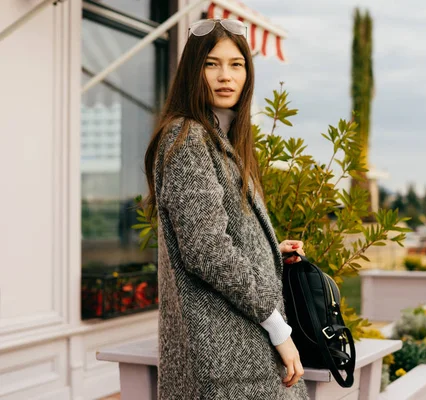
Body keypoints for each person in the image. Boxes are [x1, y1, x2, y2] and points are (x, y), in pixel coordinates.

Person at [143, 19, 309, 399]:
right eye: (211, 64)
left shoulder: (221, 139)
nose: (225, 76)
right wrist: (278, 327)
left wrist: (269, 252)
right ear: (192, 71)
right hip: (225, 357)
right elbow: (206, 250)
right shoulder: (187, 139)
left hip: (236, 351)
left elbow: (215, 234)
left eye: (236, 65)